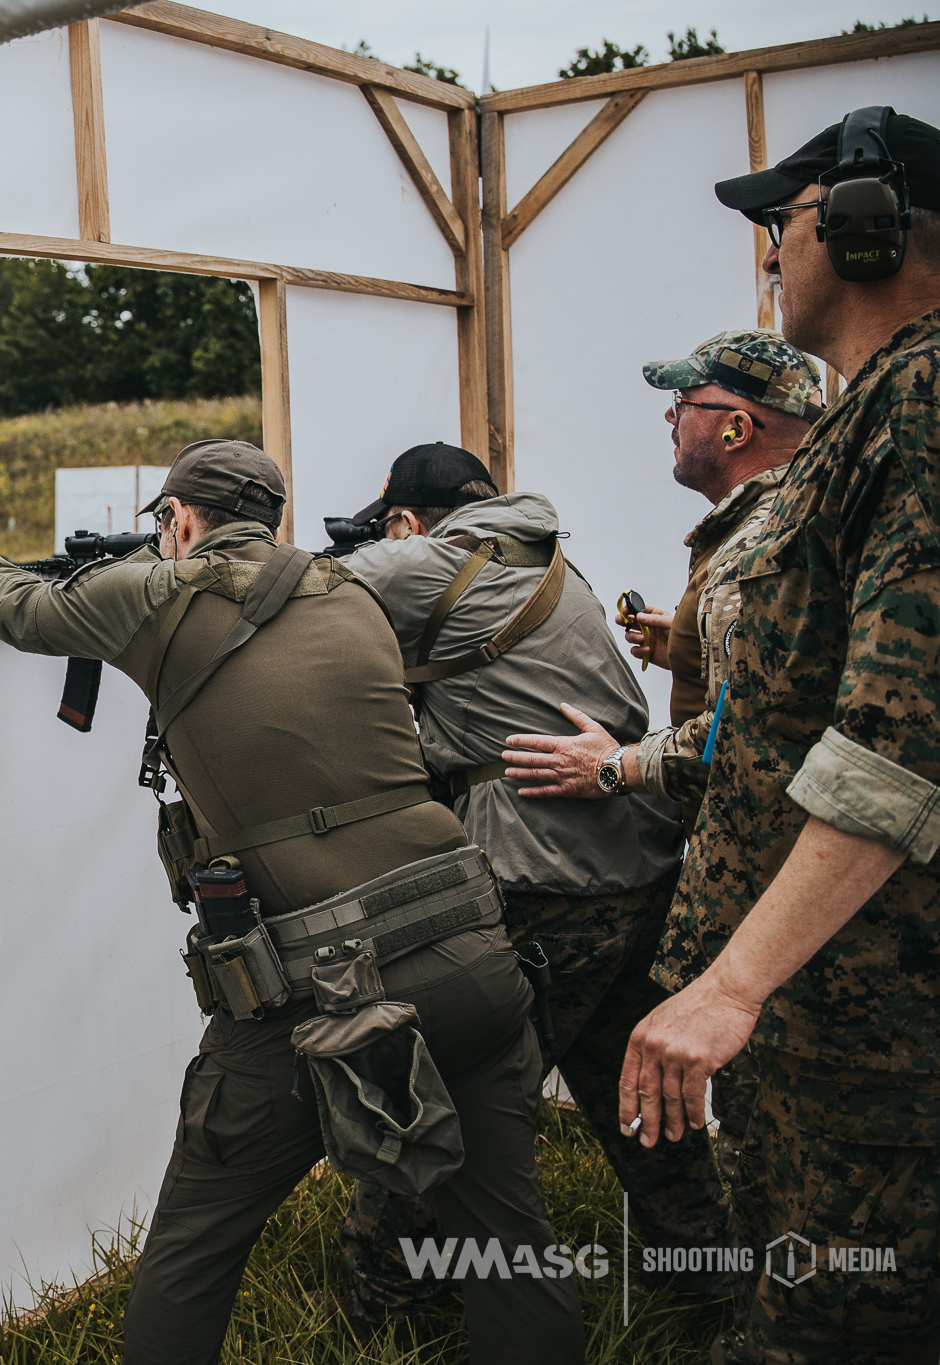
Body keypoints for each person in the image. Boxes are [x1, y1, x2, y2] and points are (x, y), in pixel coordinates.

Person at [0, 439, 582, 1365]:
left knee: (196, 1239)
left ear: (180, 520)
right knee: (507, 1238)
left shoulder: (156, 594)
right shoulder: (352, 593)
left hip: (314, 984)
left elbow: (29, 611)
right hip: (469, 948)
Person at [616, 107, 940, 1364]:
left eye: (782, 222)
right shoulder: (874, 412)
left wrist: (731, 984)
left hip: (873, 1020)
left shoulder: (920, 402)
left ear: (863, 230)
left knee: (830, 1326)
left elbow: (902, 738)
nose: (769, 252)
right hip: (834, 1011)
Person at [330, 443, 726, 1334]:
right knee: (635, 1095)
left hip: (547, 886)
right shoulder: (542, 555)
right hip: (633, 871)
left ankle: (395, 1317)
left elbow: (293, 599)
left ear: (404, 521)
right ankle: (714, 1278)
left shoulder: (423, 559)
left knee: (447, 1101)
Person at [501, 331, 822, 1266]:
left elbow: (754, 731)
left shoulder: (760, 545)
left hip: (774, 882)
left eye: (682, 403)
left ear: (735, 426)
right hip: (781, 877)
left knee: (777, 1126)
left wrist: (616, 766)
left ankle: (790, 1302)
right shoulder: (781, 525)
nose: (669, 420)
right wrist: (687, 639)